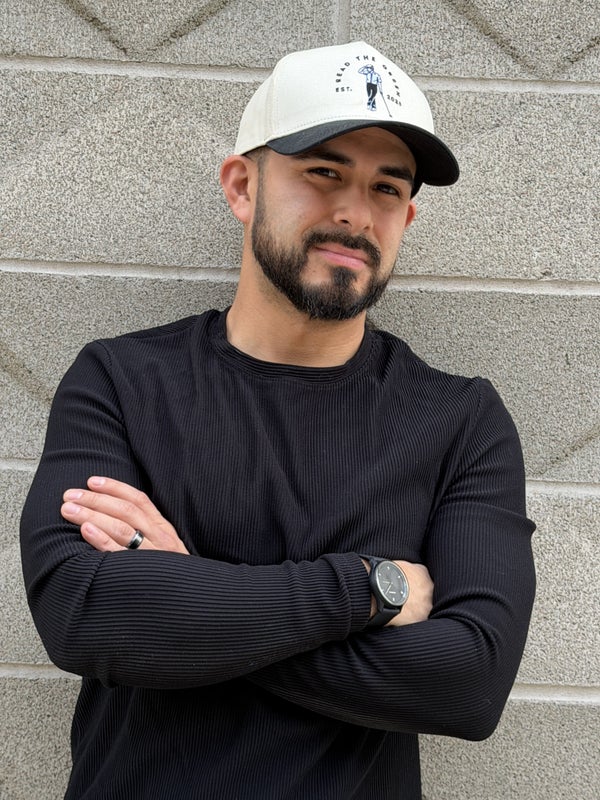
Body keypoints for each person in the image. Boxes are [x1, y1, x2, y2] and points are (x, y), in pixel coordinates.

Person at [20, 41, 536, 799]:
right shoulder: (122, 381)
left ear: (406, 216)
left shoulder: (460, 420)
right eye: (323, 172)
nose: (355, 213)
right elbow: (82, 614)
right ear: (242, 185)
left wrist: (188, 597)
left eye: (386, 188)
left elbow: (468, 685)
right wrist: (369, 590)